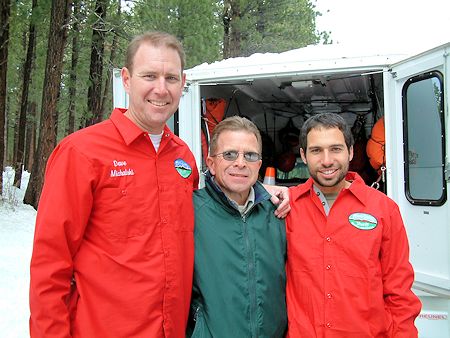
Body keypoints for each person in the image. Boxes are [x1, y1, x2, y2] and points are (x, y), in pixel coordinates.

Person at [29, 31, 199, 337]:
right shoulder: (82, 153)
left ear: (183, 83)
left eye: (171, 78)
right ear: (126, 79)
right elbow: (50, 264)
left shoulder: (183, 158)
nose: (161, 89)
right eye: (149, 76)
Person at [285, 113, 421, 337]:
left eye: (336, 149)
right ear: (303, 155)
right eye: (316, 150)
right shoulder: (286, 207)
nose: (327, 160)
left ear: (350, 151)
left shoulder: (383, 210)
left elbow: (399, 292)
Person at [188, 116, 287, 337]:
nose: (240, 163)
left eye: (249, 155)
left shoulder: (279, 213)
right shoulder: (190, 211)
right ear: (211, 164)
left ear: (259, 165)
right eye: (230, 154)